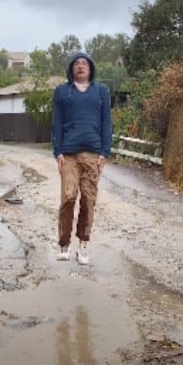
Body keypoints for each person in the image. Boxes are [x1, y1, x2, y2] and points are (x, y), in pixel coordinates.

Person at [51, 52, 112, 265]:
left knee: (88, 200)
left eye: (84, 63)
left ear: (90, 68)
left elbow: (106, 123)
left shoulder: (101, 92)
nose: (80, 66)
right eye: (76, 63)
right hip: (68, 154)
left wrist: (105, 152)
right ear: (71, 69)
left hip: (93, 154)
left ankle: (83, 245)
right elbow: (56, 123)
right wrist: (57, 151)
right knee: (68, 198)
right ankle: (64, 244)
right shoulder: (62, 92)